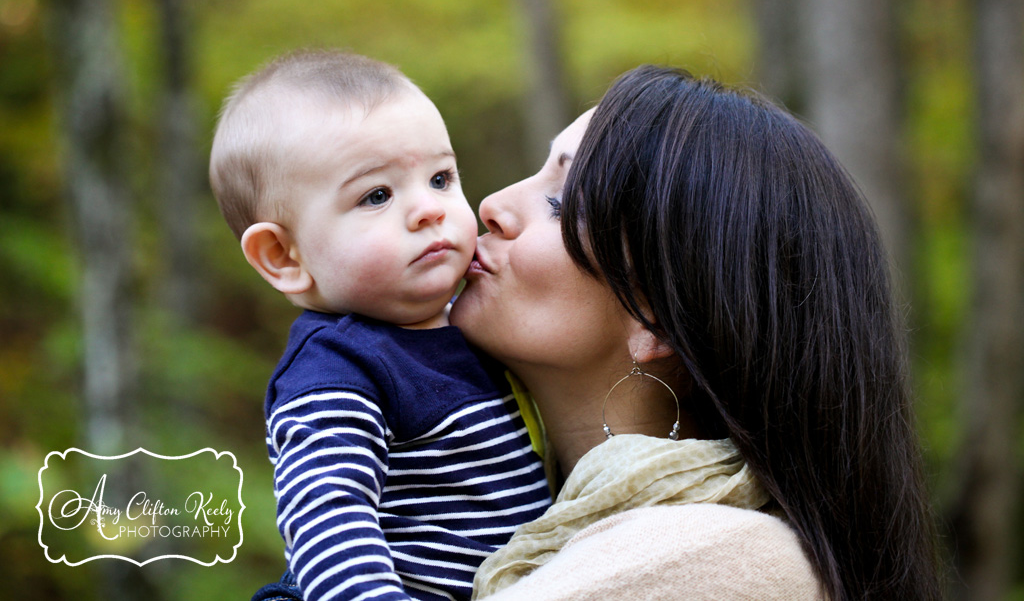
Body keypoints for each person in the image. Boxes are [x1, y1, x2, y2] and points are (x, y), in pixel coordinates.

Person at [450, 65, 942, 600]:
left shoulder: (718, 556)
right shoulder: (509, 515)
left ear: (657, 315)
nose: (492, 205)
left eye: (561, 204)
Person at [209, 50, 551, 601]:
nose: (428, 209)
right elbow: (330, 525)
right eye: (377, 195)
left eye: (441, 178)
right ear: (283, 256)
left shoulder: (475, 323)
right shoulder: (337, 371)